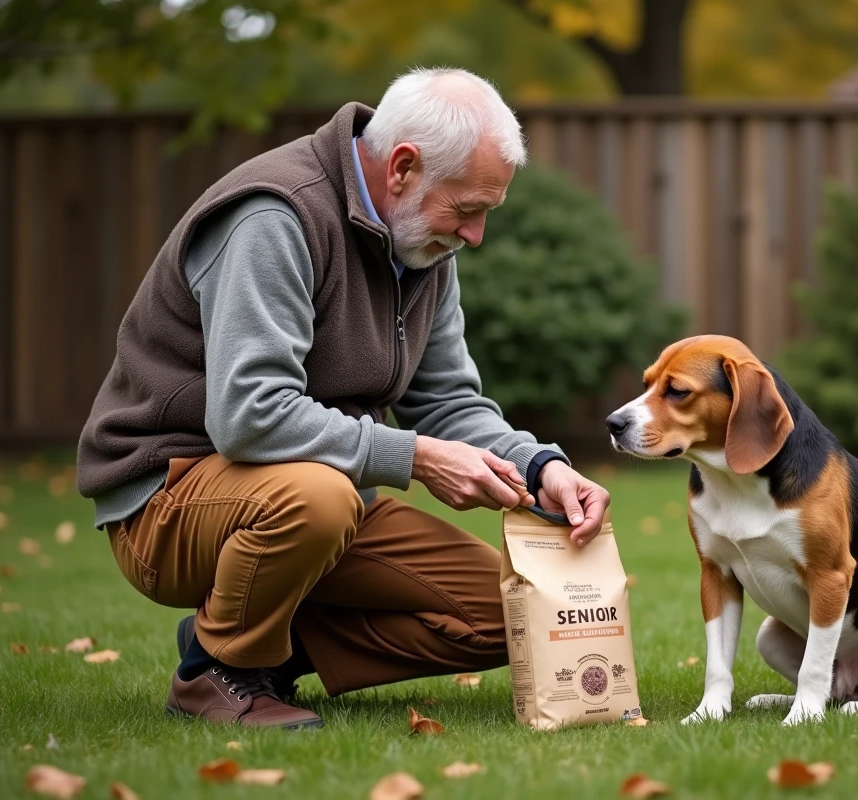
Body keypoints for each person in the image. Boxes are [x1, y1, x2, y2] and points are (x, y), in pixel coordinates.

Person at [75, 67, 611, 730]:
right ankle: (216, 676)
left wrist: (540, 467)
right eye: (467, 209)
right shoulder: (276, 215)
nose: (474, 237)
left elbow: (446, 402)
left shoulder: (424, 250)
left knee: (519, 612)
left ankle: (257, 645)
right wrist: (415, 457)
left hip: (317, 508)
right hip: (172, 494)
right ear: (403, 168)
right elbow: (248, 415)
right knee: (319, 496)